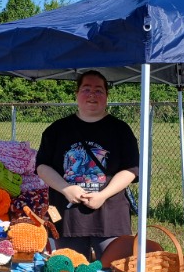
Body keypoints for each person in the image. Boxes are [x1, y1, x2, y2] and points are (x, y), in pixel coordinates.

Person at [36, 70, 139, 260]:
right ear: (77, 94)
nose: (92, 95)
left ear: (107, 96)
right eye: (86, 89)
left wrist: (103, 195)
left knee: (113, 270)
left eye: (99, 90)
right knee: (69, 269)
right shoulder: (56, 130)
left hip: (110, 218)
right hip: (66, 218)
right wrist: (66, 189)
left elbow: (131, 169)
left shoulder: (121, 130)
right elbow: (42, 166)